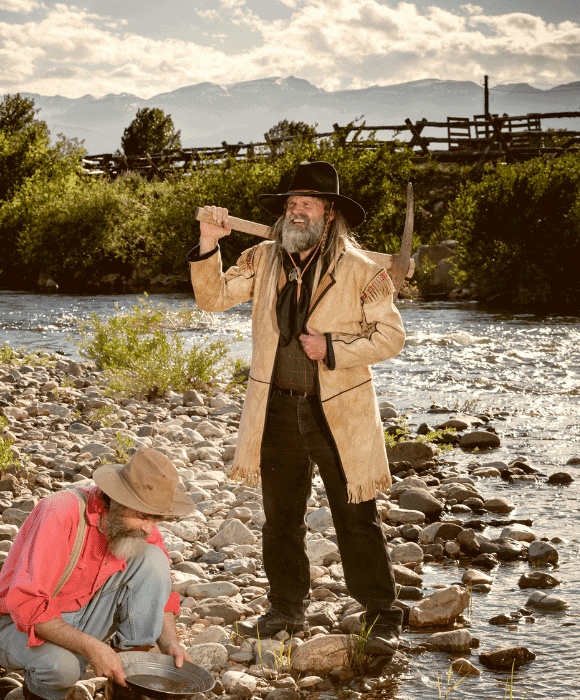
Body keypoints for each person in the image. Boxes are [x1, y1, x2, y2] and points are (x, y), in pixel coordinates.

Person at [187, 161, 406, 654]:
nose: (297, 212)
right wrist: (208, 242)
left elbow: (392, 336)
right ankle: (286, 608)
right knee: (280, 517)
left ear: (330, 215)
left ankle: (380, 610)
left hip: (337, 412)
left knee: (355, 515)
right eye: (291, 205)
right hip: (278, 409)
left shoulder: (362, 271)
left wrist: (331, 347)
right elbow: (213, 298)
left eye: (307, 204)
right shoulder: (263, 258)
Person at [0, 448, 195, 700]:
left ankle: (127, 680)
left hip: (84, 615)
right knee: (62, 668)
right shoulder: (60, 512)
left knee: (153, 559)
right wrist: (91, 647)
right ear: (117, 499)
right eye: (143, 516)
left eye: (156, 519)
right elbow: (27, 607)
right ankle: (40, 691)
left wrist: (170, 643)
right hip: (18, 625)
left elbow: (158, 594)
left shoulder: (140, 524)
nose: (149, 528)